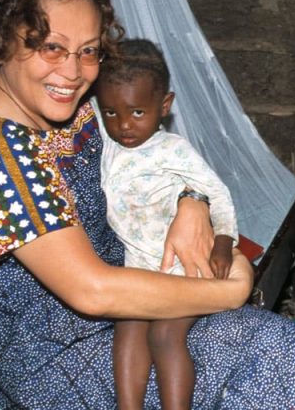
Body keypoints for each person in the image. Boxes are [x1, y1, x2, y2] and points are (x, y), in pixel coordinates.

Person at [0, 0, 295, 409]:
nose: (73, 73)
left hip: (126, 305)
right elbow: (92, 290)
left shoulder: (74, 111)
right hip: (52, 355)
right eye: (52, 47)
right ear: (2, 41)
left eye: (88, 51)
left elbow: (149, 158)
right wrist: (231, 291)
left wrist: (192, 199)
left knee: (272, 346)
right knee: (264, 347)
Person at [93, 38, 239, 410]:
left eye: (137, 112)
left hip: (181, 269)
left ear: (164, 106)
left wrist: (224, 241)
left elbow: (218, 193)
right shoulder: (108, 144)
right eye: (111, 113)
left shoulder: (172, 149)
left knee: (164, 335)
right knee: (127, 328)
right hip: (138, 269)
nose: (124, 124)